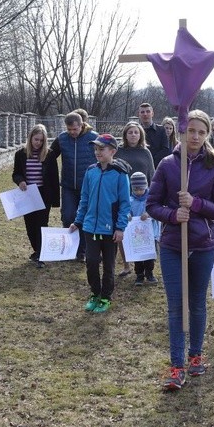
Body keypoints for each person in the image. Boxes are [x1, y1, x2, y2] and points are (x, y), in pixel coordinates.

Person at [146, 110, 214, 391]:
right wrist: (172, 215)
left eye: (201, 132)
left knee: (196, 302)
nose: (195, 136)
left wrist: (195, 204)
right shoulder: (168, 165)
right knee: (175, 306)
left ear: (207, 135)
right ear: (180, 133)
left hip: (202, 245)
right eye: (190, 131)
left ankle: (195, 355)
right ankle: (176, 365)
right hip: (172, 245)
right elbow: (151, 204)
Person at [69, 134, 131, 314]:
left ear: (113, 151)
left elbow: (124, 203)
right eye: (96, 149)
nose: (97, 152)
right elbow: (84, 198)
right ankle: (95, 293)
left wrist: (120, 227)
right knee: (92, 262)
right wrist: (78, 221)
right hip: (90, 228)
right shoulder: (90, 171)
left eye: (101, 149)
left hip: (110, 229)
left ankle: (106, 296)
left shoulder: (120, 174)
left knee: (109, 265)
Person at [49, 111, 98, 261]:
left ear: (82, 125)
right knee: (68, 215)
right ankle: (69, 248)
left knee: (84, 218)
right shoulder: (62, 139)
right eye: (69, 130)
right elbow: (50, 156)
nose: (72, 133)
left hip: (88, 186)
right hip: (68, 185)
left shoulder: (94, 138)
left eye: (75, 129)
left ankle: (82, 251)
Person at [12, 124, 60, 269]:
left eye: (41, 140)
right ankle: (36, 250)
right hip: (27, 194)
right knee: (30, 225)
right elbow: (16, 173)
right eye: (36, 139)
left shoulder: (49, 155)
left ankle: (41, 253)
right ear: (30, 138)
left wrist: (55, 200)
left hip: (44, 194)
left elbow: (53, 177)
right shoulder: (20, 154)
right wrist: (20, 181)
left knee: (42, 224)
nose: (38, 143)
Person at [115, 122, 156, 277]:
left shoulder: (146, 152)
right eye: (130, 132)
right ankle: (126, 265)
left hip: (143, 195)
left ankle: (145, 264)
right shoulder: (118, 151)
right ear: (125, 134)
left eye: (136, 132)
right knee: (122, 229)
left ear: (140, 135)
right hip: (124, 194)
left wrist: (152, 195)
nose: (133, 135)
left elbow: (152, 174)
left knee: (143, 231)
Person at [126, 171, 160, 284]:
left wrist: (149, 214)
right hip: (136, 235)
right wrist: (129, 216)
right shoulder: (130, 201)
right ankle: (139, 274)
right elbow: (127, 211)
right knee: (138, 255)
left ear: (146, 187)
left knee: (149, 254)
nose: (139, 192)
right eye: (136, 189)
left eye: (141, 189)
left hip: (150, 234)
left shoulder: (151, 199)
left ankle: (149, 273)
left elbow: (157, 211)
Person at [138, 102, 171, 168]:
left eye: (148, 111)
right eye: (142, 112)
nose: (145, 114)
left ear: (152, 113)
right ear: (139, 114)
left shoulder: (161, 130)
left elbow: (165, 149)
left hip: (158, 167)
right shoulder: (136, 131)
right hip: (140, 167)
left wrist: (151, 161)